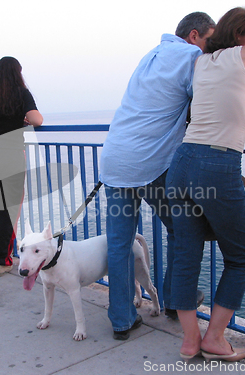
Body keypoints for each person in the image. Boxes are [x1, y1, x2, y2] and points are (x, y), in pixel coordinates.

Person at [166, 7, 245, 361]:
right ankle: (215, 338)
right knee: (241, 256)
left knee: (186, 255)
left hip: (181, 163)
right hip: (217, 163)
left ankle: (189, 342)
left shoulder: (201, 62)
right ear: (242, 32)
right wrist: (238, 119)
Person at [99, 12, 216, 340]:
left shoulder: (151, 55)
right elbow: (207, 101)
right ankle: (178, 304)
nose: (212, 50)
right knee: (184, 228)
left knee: (119, 244)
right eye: (210, 41)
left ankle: (122, 319)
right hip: (151, 163)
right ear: (194, 36)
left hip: (115, 158)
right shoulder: (193, 57)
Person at [0, 56, 43, 277]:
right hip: (10, 156)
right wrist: (21, 118)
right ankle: (1, 260)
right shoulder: (20, 93)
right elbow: (37, 120)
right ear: (17, 73)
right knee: (9, 209)